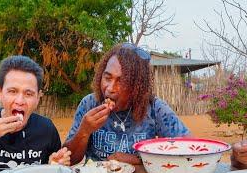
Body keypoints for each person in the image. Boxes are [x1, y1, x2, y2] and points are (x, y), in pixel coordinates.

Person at [63, 43, 191, 166]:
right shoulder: (89, 104)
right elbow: (69, 159)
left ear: (136, 87)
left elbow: (189, 149)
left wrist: (138, 159)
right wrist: (84, 131)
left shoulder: (154, 108)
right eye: (107, 78)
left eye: (121, 81)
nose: (110, 88)